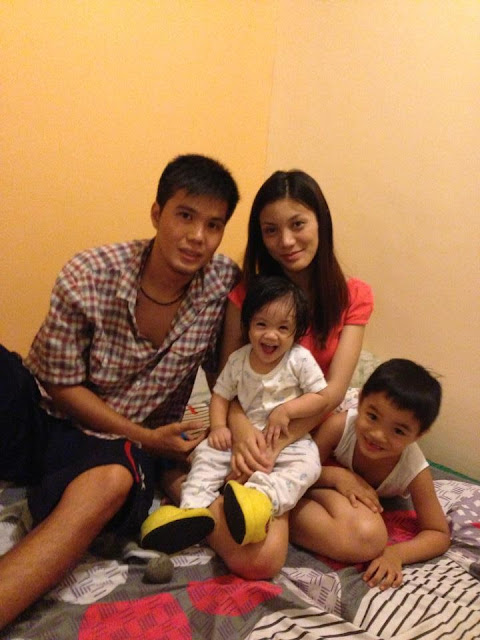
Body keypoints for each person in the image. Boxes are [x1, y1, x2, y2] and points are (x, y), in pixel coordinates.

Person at [0, 153, 240, 630]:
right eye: (185, 215)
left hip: (112, 450)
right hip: (46, 413)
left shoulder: (222, 286)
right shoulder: (90, 274)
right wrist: (146, 436)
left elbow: (235, 374)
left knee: (113, 480)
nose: (197, 236)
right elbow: (59, 384)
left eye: (214, 225)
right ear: (157, 213)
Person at [161, 169, 375, 582]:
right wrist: (245, 436)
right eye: (271, 230)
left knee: (366, 536)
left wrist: (280, 448)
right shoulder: (247, 295)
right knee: (260, 560)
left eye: (298, 224)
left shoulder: (353, 296)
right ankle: (181, 486)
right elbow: (229, 382)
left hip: (305, 440)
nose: (286, 241)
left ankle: (253, 502)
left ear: (320, 222)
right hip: (251, 432)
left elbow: (332, 393)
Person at [141, 275, 330, 554]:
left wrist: (287, 410)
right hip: (240, 437)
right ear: (248, 325)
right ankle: (190, 510)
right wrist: (218, 426)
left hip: (287, 441)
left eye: (283, 328)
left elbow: (321, 398)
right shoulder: (238, 359)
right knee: (206, 456)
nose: (270, 335)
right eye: (261, 324)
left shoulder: (299, 359)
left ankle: (259, 500)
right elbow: (221, 395)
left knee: (308, 465)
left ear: (296, 332)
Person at [290, 359, 450, 590]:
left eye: (398, 431)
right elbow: (297, 470)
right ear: (361, 400)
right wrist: (337, 477)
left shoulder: (414, 469)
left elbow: (438, 533)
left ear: (419, 435)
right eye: (373, 417)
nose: (377, 435)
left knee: (366, 538)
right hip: (315, 483)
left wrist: (396, 554)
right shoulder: (340, 427)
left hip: (339, 506)